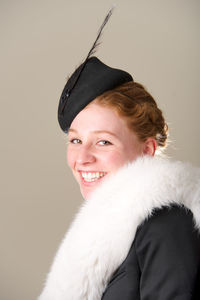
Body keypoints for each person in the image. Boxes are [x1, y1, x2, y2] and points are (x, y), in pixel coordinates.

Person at [38, 56, 200, 300]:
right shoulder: (103, 229)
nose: (82, 158)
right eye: (76, 140)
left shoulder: (167, 223)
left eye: (103, 142)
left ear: (147, 150)